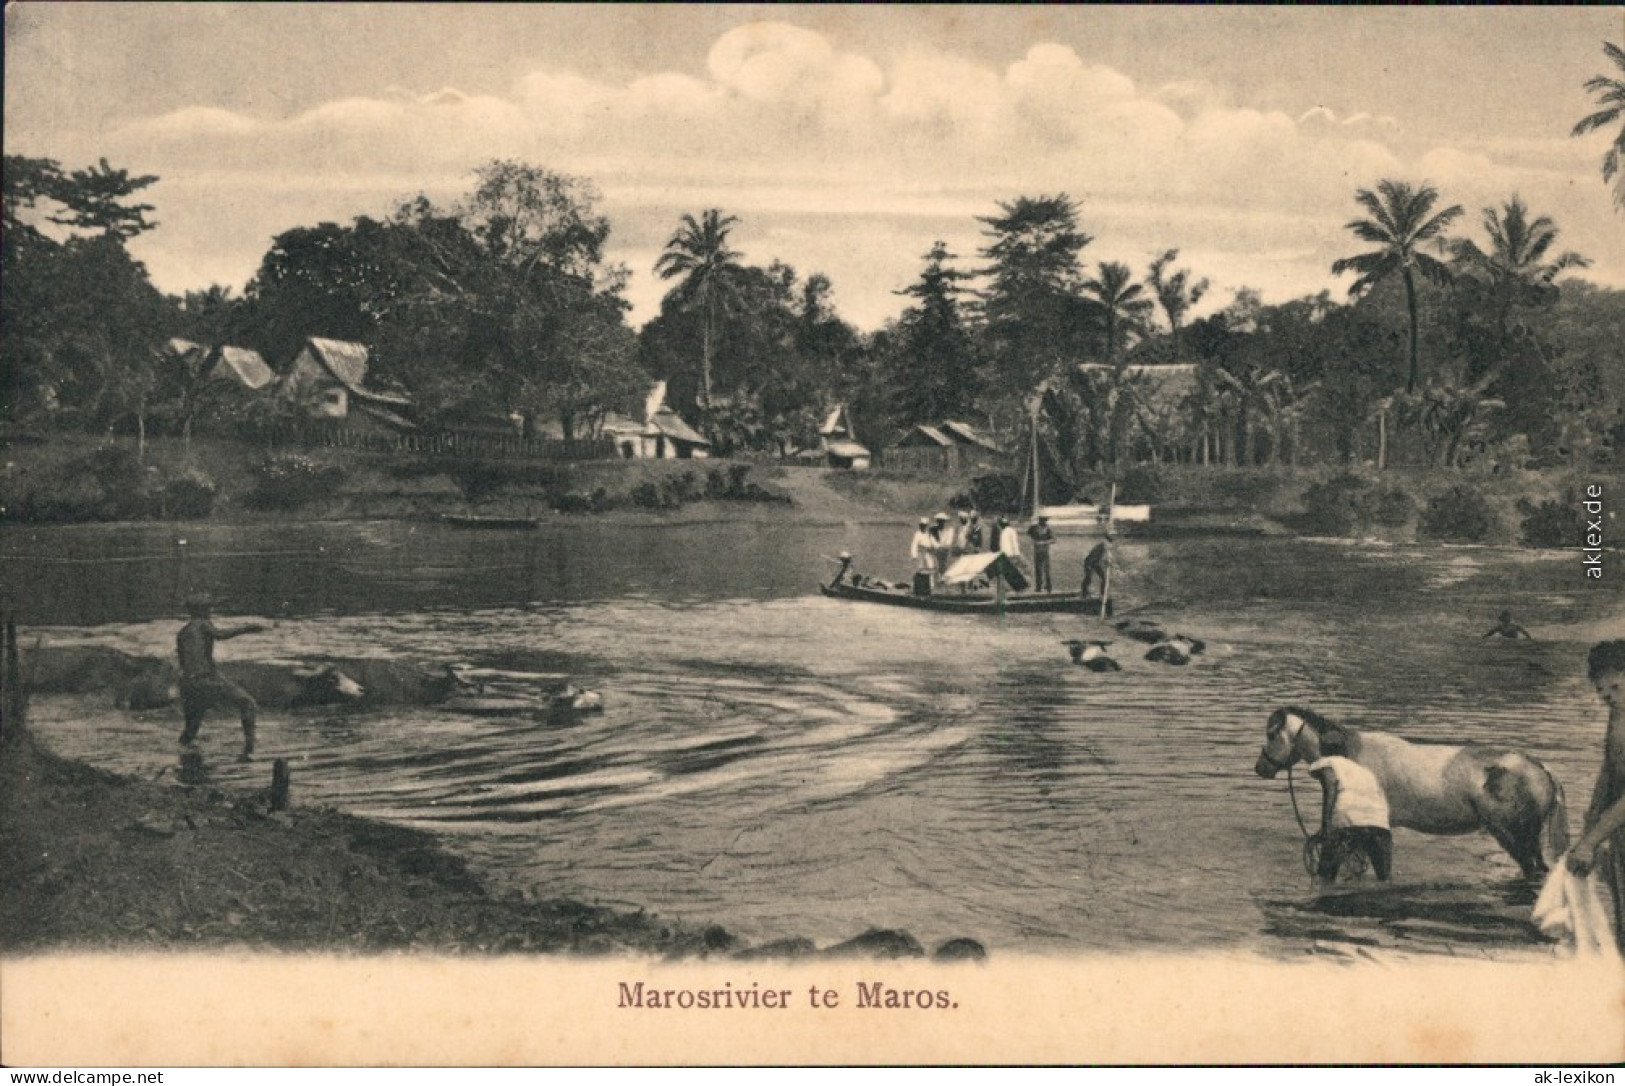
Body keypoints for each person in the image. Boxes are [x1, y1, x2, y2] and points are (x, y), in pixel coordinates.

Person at [1568, 639, 1625, 953]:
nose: (1609, 698)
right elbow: (1609, 774)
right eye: (1602, 694)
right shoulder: (1618, 714)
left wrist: (1591, 842)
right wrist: (1587, 836)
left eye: (1616, 688)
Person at [176, 596, 267, 760]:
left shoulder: (182, 632)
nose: (210, 612)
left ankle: (181, 758)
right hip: (206, 680)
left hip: (188, 684)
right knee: (248, 703)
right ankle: (249, 749)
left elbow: (184, 662)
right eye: (208, 609)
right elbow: (220, 634)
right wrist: (247, 628)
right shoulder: (203, 624)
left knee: (190, 731)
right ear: (202, 611)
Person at [1307, 752, 1393, 885]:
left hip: (1346, 823)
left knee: (1324, 880)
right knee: (1385, 881)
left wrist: (1325, 828)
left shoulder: (1327, 763)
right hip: (1380, 824)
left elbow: (1330, 790)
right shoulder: (1365, 771)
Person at [1027, 514, 1056, 593]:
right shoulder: (1034, 528)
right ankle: (1038, 587)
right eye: (1042, 520)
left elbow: (1054, 540)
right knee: (1038, 569)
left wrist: (1043, 542)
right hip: (1037, 551)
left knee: (1046, 570)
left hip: (1045, 551)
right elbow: (1029, 535)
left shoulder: (1048, 529)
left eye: (1045, 520)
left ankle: (1048, 586)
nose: (1044, 522)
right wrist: (1033, 541)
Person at [1081, 532, 1114, 599]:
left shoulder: (1105, 548)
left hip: (1095, 563)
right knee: (1088, 578)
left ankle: (1102, 594)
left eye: (1110, 543)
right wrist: (1089, 568)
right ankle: (1084, 593)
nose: (1109, 545)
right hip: (1089, 563)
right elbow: (1092, 558)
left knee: (1103, 578)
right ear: (1105, 541)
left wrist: (1108, 563)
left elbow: (1102, 559)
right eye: (1108, 543)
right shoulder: (1099, 548)